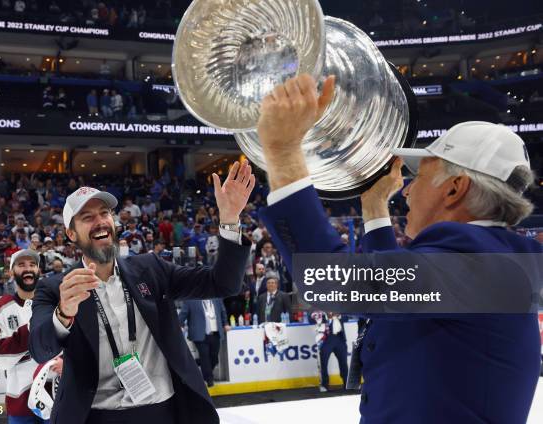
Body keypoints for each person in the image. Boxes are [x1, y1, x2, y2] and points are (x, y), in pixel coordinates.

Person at [255, 74, 542, 423]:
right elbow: (390, 297)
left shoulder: (480, 267)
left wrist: (284, 152)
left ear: (454, 189)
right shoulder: (487, 263)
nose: (405, 192)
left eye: (418, 177)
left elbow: (332, 281)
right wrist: (375, 210)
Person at [29, 161, 255, 424]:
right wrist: (63, 313)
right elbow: (39, 349)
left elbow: (223, 284)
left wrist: (229, 220)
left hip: (163, 412)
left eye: (104, 213)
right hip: (98, 417)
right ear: (71, 233)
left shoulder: (151, 268)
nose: (100, 222)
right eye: (87, 217)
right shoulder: (56, 288)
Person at [0, 249, 61, 423]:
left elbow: (72, 340)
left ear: (39, 271)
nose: (28, 269)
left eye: (32, 265)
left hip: (57, 395)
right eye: (21, 265)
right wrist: (32, 330)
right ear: (11, 272)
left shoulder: (57, 303)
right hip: (20, 400)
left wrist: (65, 360)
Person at [178, 298, 229, 387]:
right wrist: (179, 325)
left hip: (215, 333)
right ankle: (209, 379)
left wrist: (225, 324)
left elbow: (222, 311)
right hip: (199, 334)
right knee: (204, 355)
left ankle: (196, 363)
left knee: (214, 358)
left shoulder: (216, 299)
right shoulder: (190, 300)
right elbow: (183, 314)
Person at [312, 312, 348, 393]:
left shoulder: (339, 307)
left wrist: (338, 315)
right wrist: (326, 316)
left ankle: (347, 383)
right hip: (325, 340)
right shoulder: (320, 310)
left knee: (344, 363)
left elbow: (346, 318)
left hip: (340, 339)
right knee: (323, 364)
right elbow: (311, 318)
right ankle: (324, 385)